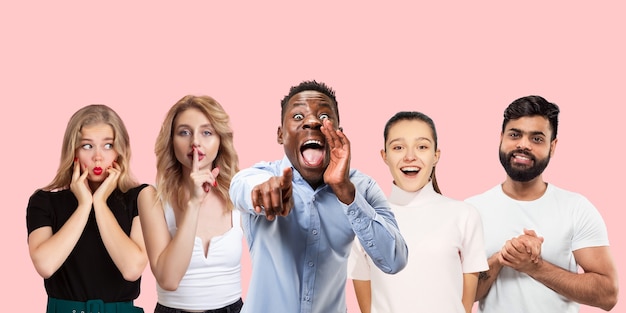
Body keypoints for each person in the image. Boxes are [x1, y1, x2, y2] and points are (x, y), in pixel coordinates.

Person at [229, 80, 408, 313]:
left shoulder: (361, 187)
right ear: (280, 135)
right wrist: (263, 194)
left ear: (339, 133)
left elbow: (394, 260)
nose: (312, 121)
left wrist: (346, 192)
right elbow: (241, 189)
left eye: (324, 117)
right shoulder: (257, 176)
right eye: (297, 117)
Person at [465, 95, 619, 312]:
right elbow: (461, 295)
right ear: (501, 138)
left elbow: (608, 294)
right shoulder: (470, 211)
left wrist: (534, 266)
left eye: (536, 139)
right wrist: (502, 258)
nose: (523, 145)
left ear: (553, 146)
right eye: (515, 134)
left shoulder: (576, 209)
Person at [347, 111, 488, 313]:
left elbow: (464, 306)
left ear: (436, 155)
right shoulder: (364, 221)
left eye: (422, 147)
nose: (410, 156)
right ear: (384, 156)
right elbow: (366, 307)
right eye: (398, 147)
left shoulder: (465, 215)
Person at [26, 104, 153, 313]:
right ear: (73, 151)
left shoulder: (141, 197)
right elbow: (46, 265)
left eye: (108, 145)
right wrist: (85, 205)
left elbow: (132, 268)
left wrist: (100, 202)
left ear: (120, 151)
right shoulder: (43, 201)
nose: (97, 157)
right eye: (87, 146)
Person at [140, 95, 243, 313]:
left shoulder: (239, 191)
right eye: (184, 132)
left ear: (220, 140)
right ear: (171, 141)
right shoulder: (151, 197)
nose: (195, 141)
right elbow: (168, 280)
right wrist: (194, 203)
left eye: (207, 132)